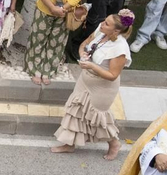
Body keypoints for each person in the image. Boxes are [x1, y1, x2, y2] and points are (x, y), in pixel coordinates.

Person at [53, 12, 134, 160]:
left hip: (102, 87)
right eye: (104, 20)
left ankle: (114, 143)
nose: (102, 23)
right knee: (76, 110)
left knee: (96, 117)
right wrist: (82, 53)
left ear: (116, 31)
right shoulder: (100, 31)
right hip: (85, 80)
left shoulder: (120, 49)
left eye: (107, 24)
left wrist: (91, 65)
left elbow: (112, 75)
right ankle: (69, 144)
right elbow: (85, 44)